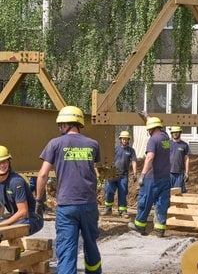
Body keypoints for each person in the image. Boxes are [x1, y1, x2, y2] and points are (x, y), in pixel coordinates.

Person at [36, 106, 102, 274]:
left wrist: (38, 200)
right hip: (89, 204)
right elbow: (92, 171)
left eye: (60, 125)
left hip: (67, 206)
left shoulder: (55, 144)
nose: (59, 128)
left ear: (65, 124)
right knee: (91, 245)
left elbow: (43, 174)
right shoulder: (93, 144)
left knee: (67, 249)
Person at [128, 117, 171, 237]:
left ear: (150, 129)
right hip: (165, 177)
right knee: (162, 203)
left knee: (145, 201)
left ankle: (140, 225)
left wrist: (142, 175)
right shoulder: (166, 137)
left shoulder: (153, 140)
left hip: (152, 177)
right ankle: (160, 229)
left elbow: (150, 157)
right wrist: (148, 117)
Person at [0, 145, 43, 235]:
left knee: (2, 232)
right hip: (16, 217)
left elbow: (23, 213)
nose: (2, 165)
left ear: (9, 162)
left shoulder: (16, 182)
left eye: (5, 162)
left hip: (31, 218)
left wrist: (2, 224)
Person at [102, 130, 137, 218]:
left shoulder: (131, 151)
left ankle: (122, 211)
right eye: (123, 139)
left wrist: (135, 173)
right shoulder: (115, 149)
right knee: (109, 191)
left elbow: (133, 161)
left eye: (126, 139)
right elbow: (108, 160)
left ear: (128, 140)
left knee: (123, 193)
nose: (125, 140)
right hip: (113, 174)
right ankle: (108, 208)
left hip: (123, 176)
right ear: (120, 139)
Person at [169, 126, 191, 193]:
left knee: (178, 193)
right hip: (168, 173)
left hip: (179, 173)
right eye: (173, 132)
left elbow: (187, 159)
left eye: (177, 132)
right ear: (171, 133)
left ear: (180, 133)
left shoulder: (184, 145)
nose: (175, 134)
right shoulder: (167, 143)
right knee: (166, 193)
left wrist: (187, 173)